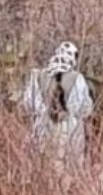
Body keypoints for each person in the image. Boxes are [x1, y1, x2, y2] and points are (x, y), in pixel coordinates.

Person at [19, 41, 94, 179]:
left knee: (41, 171)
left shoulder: (37, 76)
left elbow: (28, 104)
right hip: (71, 132)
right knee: (69, 175)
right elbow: (85, 108)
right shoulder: (78, 78)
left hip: (42, 130)